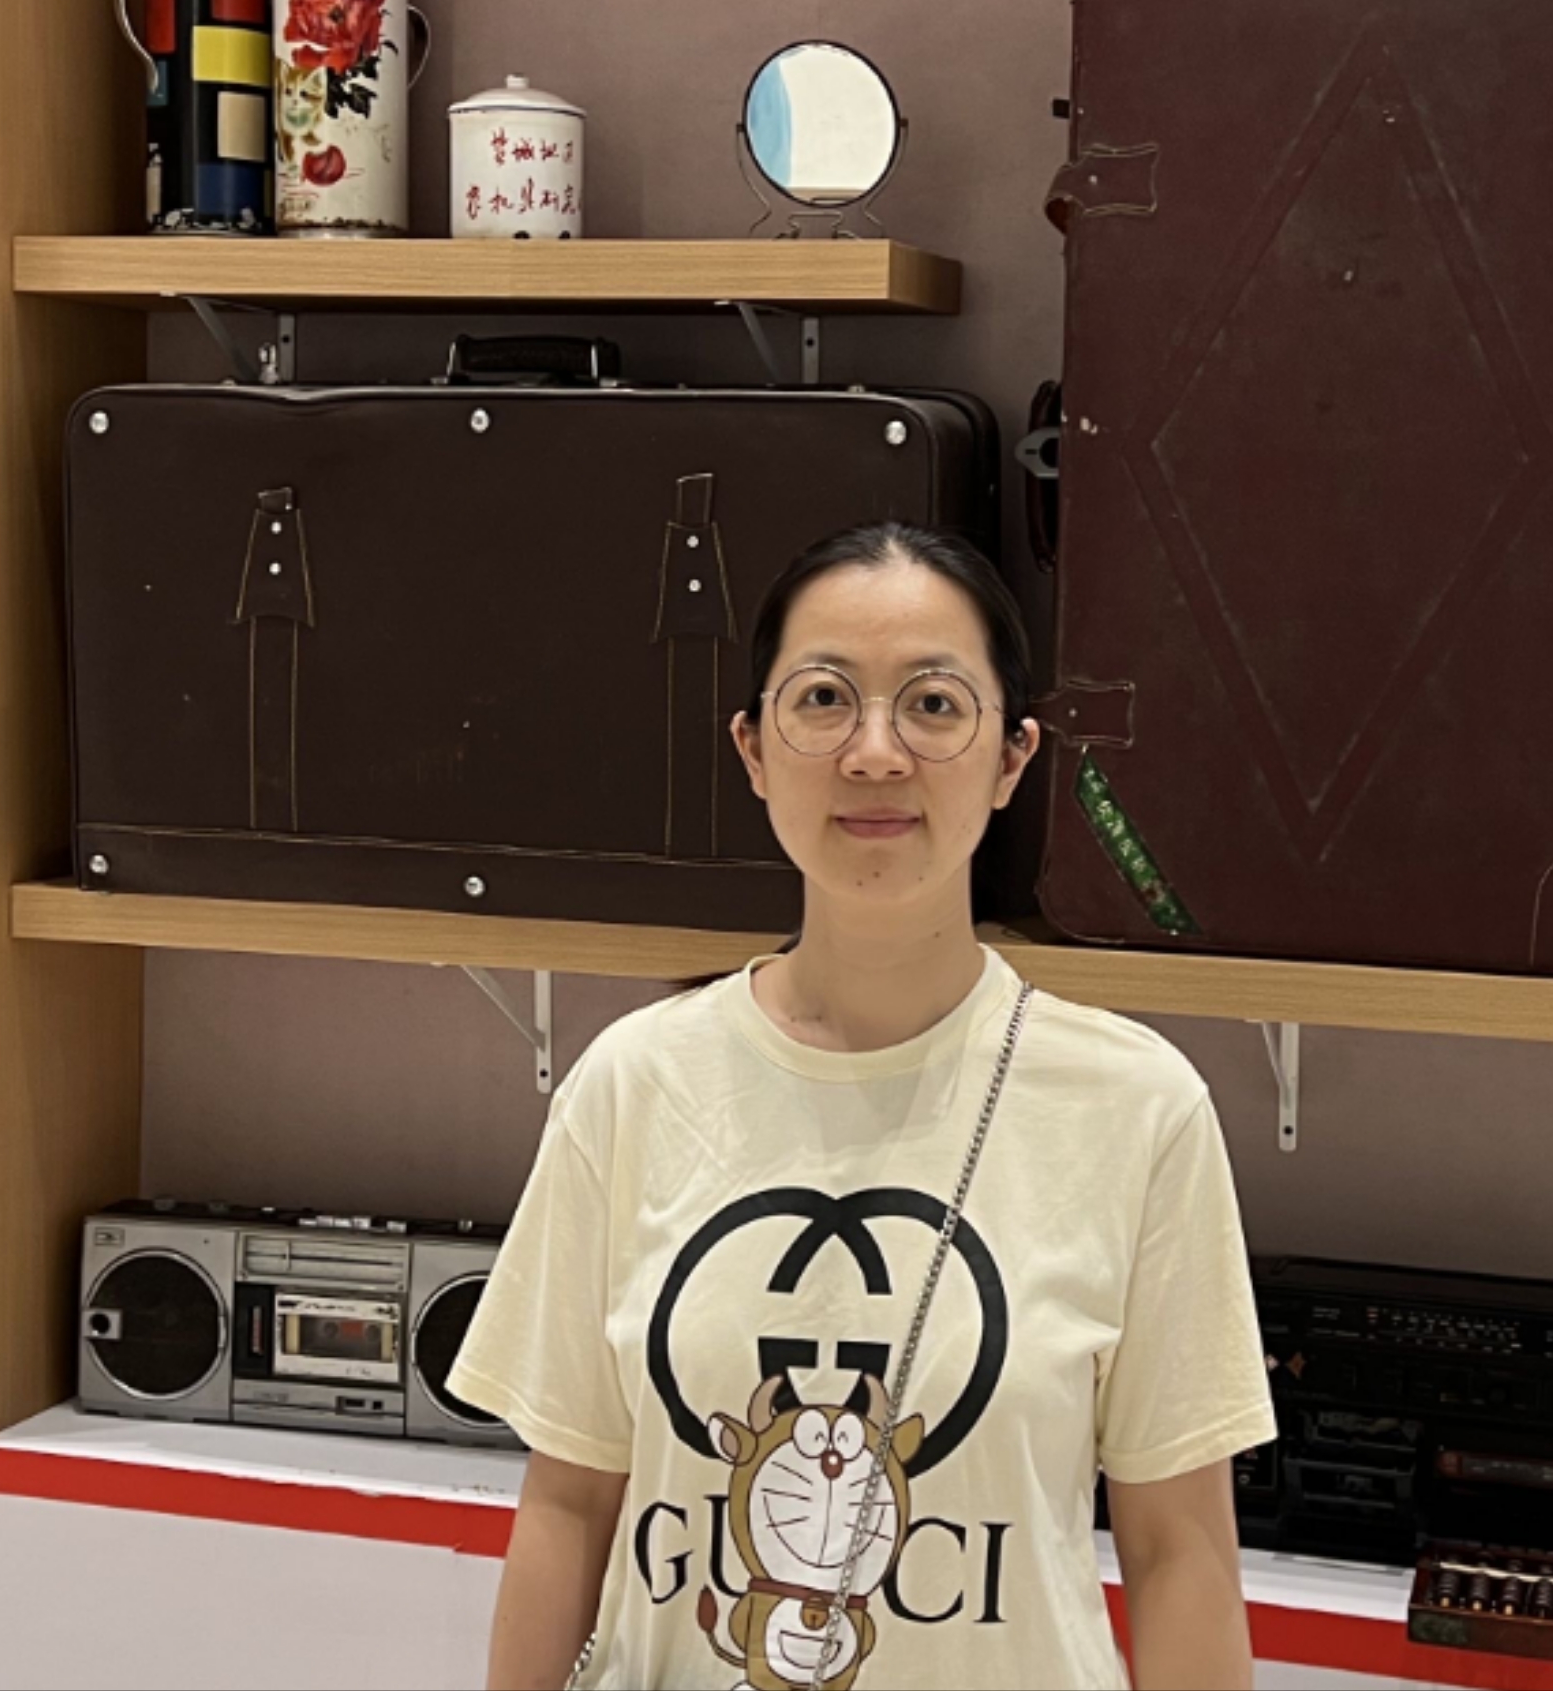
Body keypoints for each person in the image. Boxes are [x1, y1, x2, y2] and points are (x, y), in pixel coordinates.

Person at [448, 519, 1275, 1691]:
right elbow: (571, 1503)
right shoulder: (632, 1086)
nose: (875, 752)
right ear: (753, 747)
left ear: (1013, 758)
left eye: (934, 705)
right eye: (825, 699)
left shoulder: (1138, 1109)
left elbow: (1177, 1549)